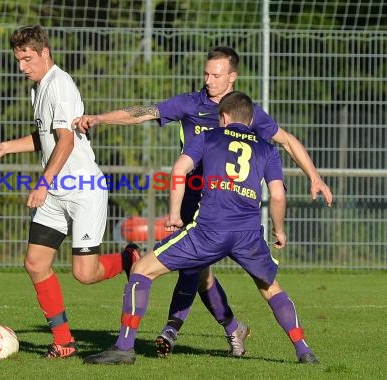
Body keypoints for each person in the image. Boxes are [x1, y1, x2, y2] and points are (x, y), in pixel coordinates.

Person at [74, 46, 332, 358]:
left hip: (216, 211)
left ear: (232, 78)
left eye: (216, 75)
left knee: (183, 270)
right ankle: (231, 328)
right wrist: (101, 118)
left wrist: (314, 176)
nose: (209, 80)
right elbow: (144, 112)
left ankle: (163, 332)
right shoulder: (190, 103)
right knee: (201, 274)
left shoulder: (244, 112)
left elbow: (288, 140)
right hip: (195, 202)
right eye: (206, 73)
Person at [0, 25, 140, 359]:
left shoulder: (61, 85)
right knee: (35, 263)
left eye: (27, 58)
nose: (22, 66)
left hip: (83, 189)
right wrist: (7, 147)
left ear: (44, 53)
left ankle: (129, 259)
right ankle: (64, 340)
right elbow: (46, 137)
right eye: (18, 59)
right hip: (56, 191)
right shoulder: (37, 88)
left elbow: (66, 140)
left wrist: (42, 185)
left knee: (85, 274)